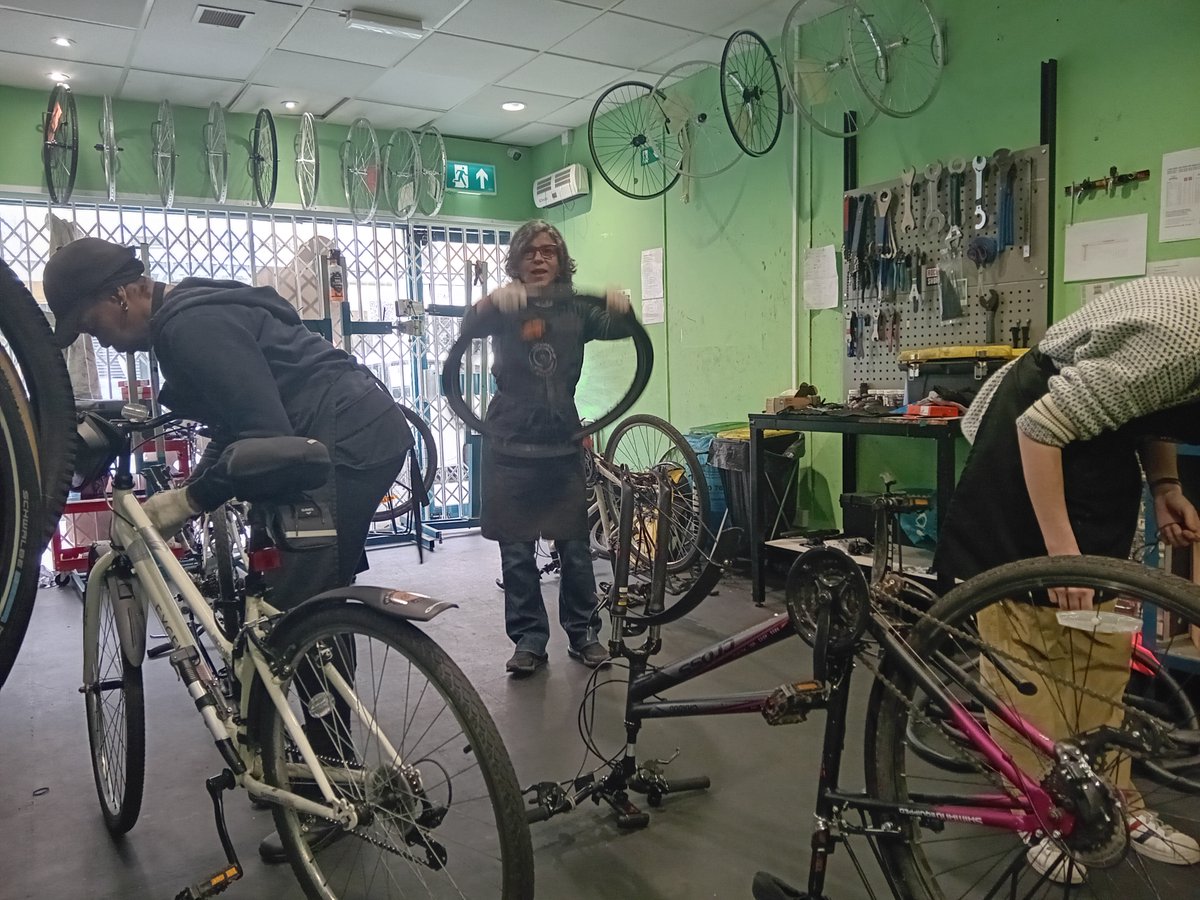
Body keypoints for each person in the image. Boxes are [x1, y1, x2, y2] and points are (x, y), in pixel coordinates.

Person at [42, 237, 413, 861]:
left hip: (339, 444)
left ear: (121, 294)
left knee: (300, 610)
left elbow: (262, 435)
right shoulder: (183, 315)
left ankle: (333, 790)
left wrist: (188, 501)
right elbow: (238, 428)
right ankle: (306, 758)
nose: (93, 338)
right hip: (335, 436)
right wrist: (197, 492)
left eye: (88, 322)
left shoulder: (189, 328)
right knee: (287, 597)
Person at [936, 275, 1200, 883]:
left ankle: (1114, 802)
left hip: (1093, 448)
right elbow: (1039, 427)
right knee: (1025, 639)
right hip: (1025, 434)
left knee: (1101, 630)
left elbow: (1150, 408)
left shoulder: (1179, 360)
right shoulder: (1183, 341)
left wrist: (1166, 488)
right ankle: (1036, 808)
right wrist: (1060, 553)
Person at [459, 220, 636, 676]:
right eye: (530, 252)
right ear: (517, 261)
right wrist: (494, 299)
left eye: (548, 252)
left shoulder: (577, 309)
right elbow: (470, 325)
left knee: (574, 544)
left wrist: (621, 308)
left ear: (561, 262)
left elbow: (614, 325)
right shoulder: (507, 304)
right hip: (511, 433)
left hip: (559, 433)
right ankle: (530, 640)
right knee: (516, 548)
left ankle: (583, 635)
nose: (539, 259)